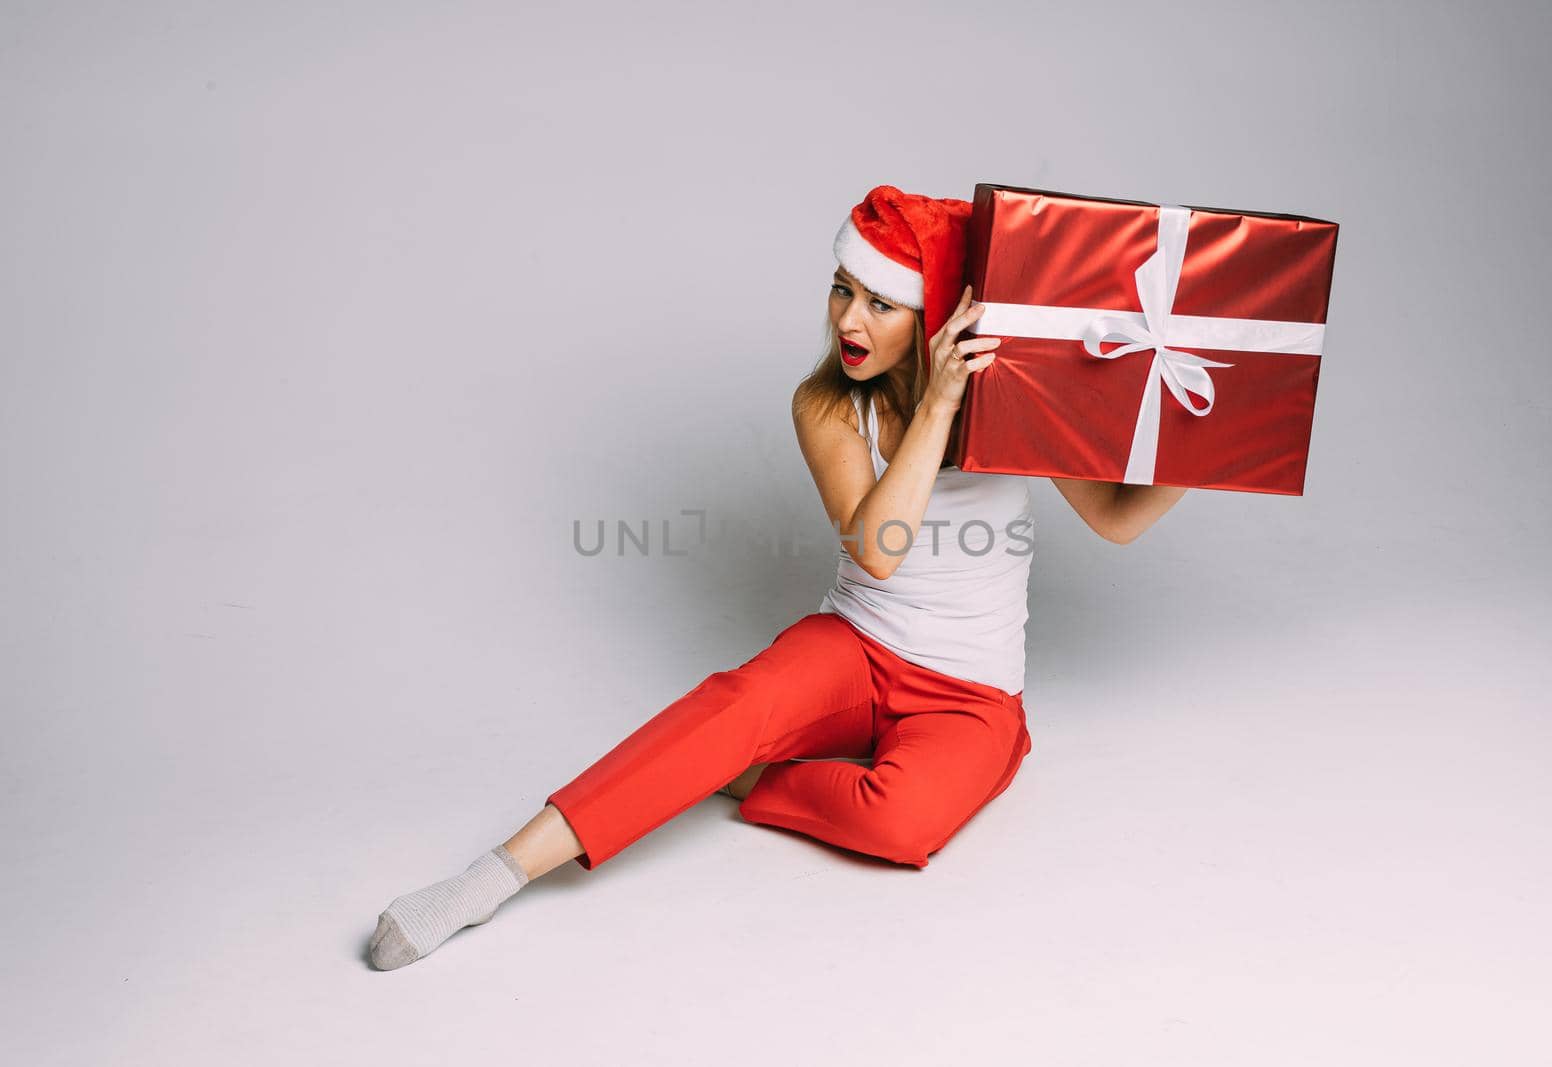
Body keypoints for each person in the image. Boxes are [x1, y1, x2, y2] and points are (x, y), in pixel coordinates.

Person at [366, 185, 1188, 971]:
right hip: (857, 645)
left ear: (931, 316)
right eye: (841, 290)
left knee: (901, 822)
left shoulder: (1017, 402)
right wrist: (936, 405)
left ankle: (745, 771)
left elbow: (1115, 519)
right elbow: (878, 548)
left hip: (970, 691)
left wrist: (1223, 446)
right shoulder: (827, 404)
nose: (847, 322)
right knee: (730, 706)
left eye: (880, 303)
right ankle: (490, 878)